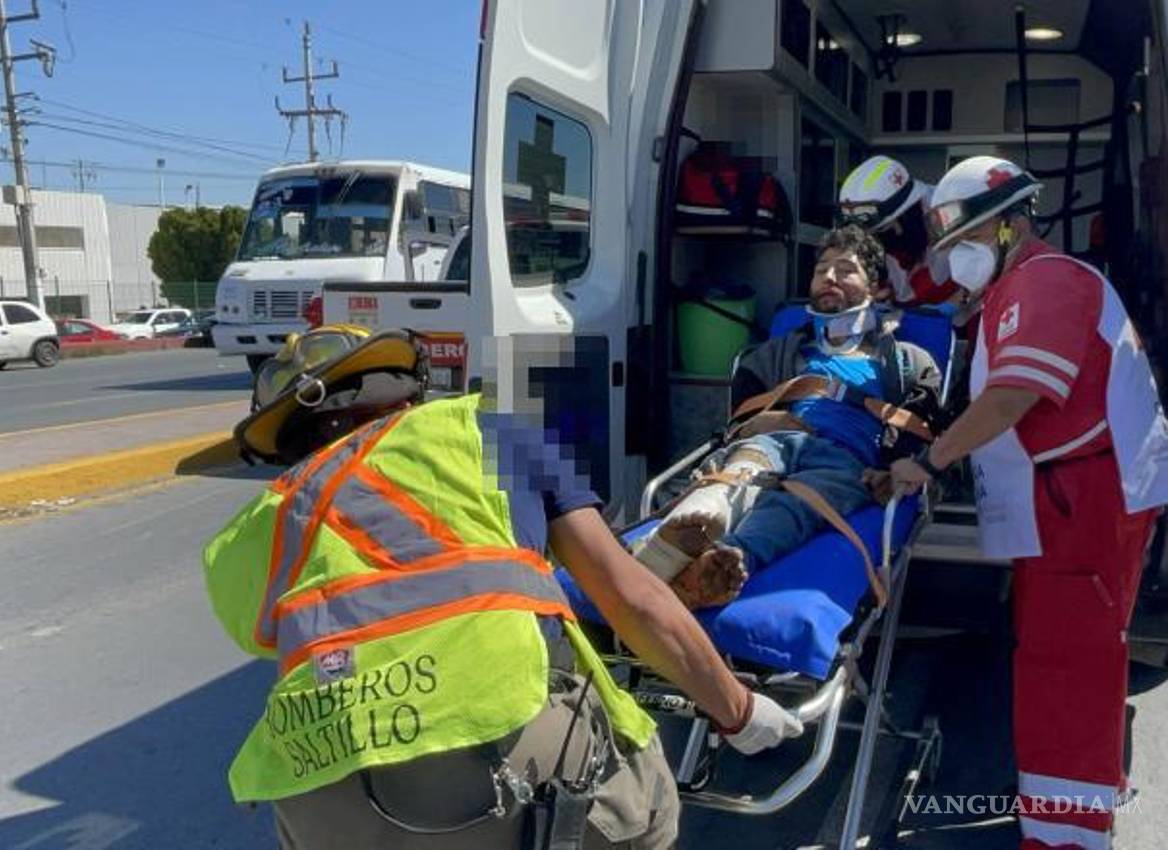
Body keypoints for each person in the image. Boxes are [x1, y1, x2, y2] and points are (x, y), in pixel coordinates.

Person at [203, 326, 804, 850]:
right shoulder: (491, 423)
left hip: (317, 794)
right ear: (407, 390)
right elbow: (633, 597)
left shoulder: (251, 530)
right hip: (504, 750)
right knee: (647, 814)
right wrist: (741, 712)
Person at [889, 155, 1168, 850]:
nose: (955, 259)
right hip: (1071, 498)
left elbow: (1014, 396)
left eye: (965, 242)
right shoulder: (1019, 288)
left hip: (1085, 500)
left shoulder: (1043, 283)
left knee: (1070, 667)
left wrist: (928, 461)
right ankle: (1062, 812)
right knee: (1058, 658)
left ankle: (1068, 837)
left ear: (1012, 228)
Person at [634, 225, 943, 608]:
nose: (829, 277)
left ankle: (727, 561)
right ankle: (686, 530)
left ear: (877, 289)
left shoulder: (907, 361)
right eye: (821, 269)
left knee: (796, 504)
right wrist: (754, 426)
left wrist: (892, 466)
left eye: (845, 269)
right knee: (740, 473)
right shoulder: (776, 352)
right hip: (775, 439)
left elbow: (920, 426)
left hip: (844, 459)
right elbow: (740, 417)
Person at [839, 155, 962, 307]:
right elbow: (899, 282)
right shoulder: (888, 235)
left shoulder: (949, 209)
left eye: (883, 228)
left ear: (903, 212)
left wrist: (961, 298)